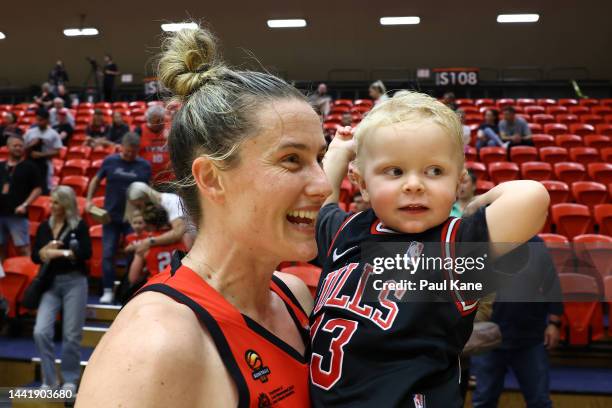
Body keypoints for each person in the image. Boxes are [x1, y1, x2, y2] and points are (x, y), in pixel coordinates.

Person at [76, 24, 329, 407]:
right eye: (292, 160)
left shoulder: (293, 294)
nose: (324, 184)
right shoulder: (155, 344)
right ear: (211, 178)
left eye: (320, 159)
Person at [312, 91, 549, 406]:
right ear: (362, 184)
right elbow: (321, 202)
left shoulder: (456, 244)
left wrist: (477, 206)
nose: (414, 184)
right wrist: (341, 151)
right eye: (394, 171)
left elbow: (532, 196)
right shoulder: (345, 231)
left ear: (457, 182)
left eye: (435, 171)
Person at [471, 236, 563, 408]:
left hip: (530, 337)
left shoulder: (536, 245)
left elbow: (552, 284)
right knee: (484, 400)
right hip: (487, 338)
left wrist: (554, 323)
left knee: (539, 401)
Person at [31, 185, 92, 393]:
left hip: (75, 281)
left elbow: (86, 253)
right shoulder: (43, 227)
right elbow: (35, 256)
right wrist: (44, 252)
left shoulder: (79, 226)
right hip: (50, 283)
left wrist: (61, 253)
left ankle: (70, 379)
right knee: (40, 331)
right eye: (51, 202)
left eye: (56, 202)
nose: (51, 206)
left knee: (71, 335)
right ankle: (49, 380)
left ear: (66, 204)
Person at [85, 133, 151, 304]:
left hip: (133, 219)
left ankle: (128, 290)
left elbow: (149, 191)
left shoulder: (144, 166)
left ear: (138, 150)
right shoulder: (110, 161)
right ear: (121, 147)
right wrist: (89, 199)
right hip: (110, 217)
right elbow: (95, 180)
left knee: (135, 255)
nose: (129, 155)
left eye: (133, 152)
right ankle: (107, 289)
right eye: (127, 151)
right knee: (107, 253)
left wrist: (145, 214)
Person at [0, 135, 43, 260]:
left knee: (23, 248)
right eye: (15, 146)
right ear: (8, 147)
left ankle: (29, 275)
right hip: (0, 213)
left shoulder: (30, 166)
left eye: (21, 145)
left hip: (17, 215)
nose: (18, 148)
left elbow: (38, 189)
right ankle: (1, 278)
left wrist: (25, 205)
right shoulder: (1, 166)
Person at [123, 181, 188, 257]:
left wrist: (149, 241)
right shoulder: (158, 205)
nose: (140, 209)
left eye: (139, 205)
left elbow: (178, 233)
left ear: (145, 197)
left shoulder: (172, 201)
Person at [127, 203, 186, 285]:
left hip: (157, 288)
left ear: (149, 224)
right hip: (181, 285)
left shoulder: (145, 244)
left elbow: (133, 278)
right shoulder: (183, 238)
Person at [24, 108, 62, 194]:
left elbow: (58, 152)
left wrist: (41, 155)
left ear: (47, 120)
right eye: (37, 119)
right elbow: (23, 148)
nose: (38, 122)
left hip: (46, 164)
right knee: (29, 187)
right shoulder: (30, 132)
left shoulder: (53, 134)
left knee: (44, 188)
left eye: (41, 120)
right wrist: (31, 144)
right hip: (30, 163)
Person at [135, 105, 171, 182]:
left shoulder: (170, 130)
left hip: (168, 178)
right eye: (157, 121)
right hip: (146, 177)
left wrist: (171, 137)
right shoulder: (139, 130)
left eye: (162, 119)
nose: (161, 123)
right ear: (149, 120)